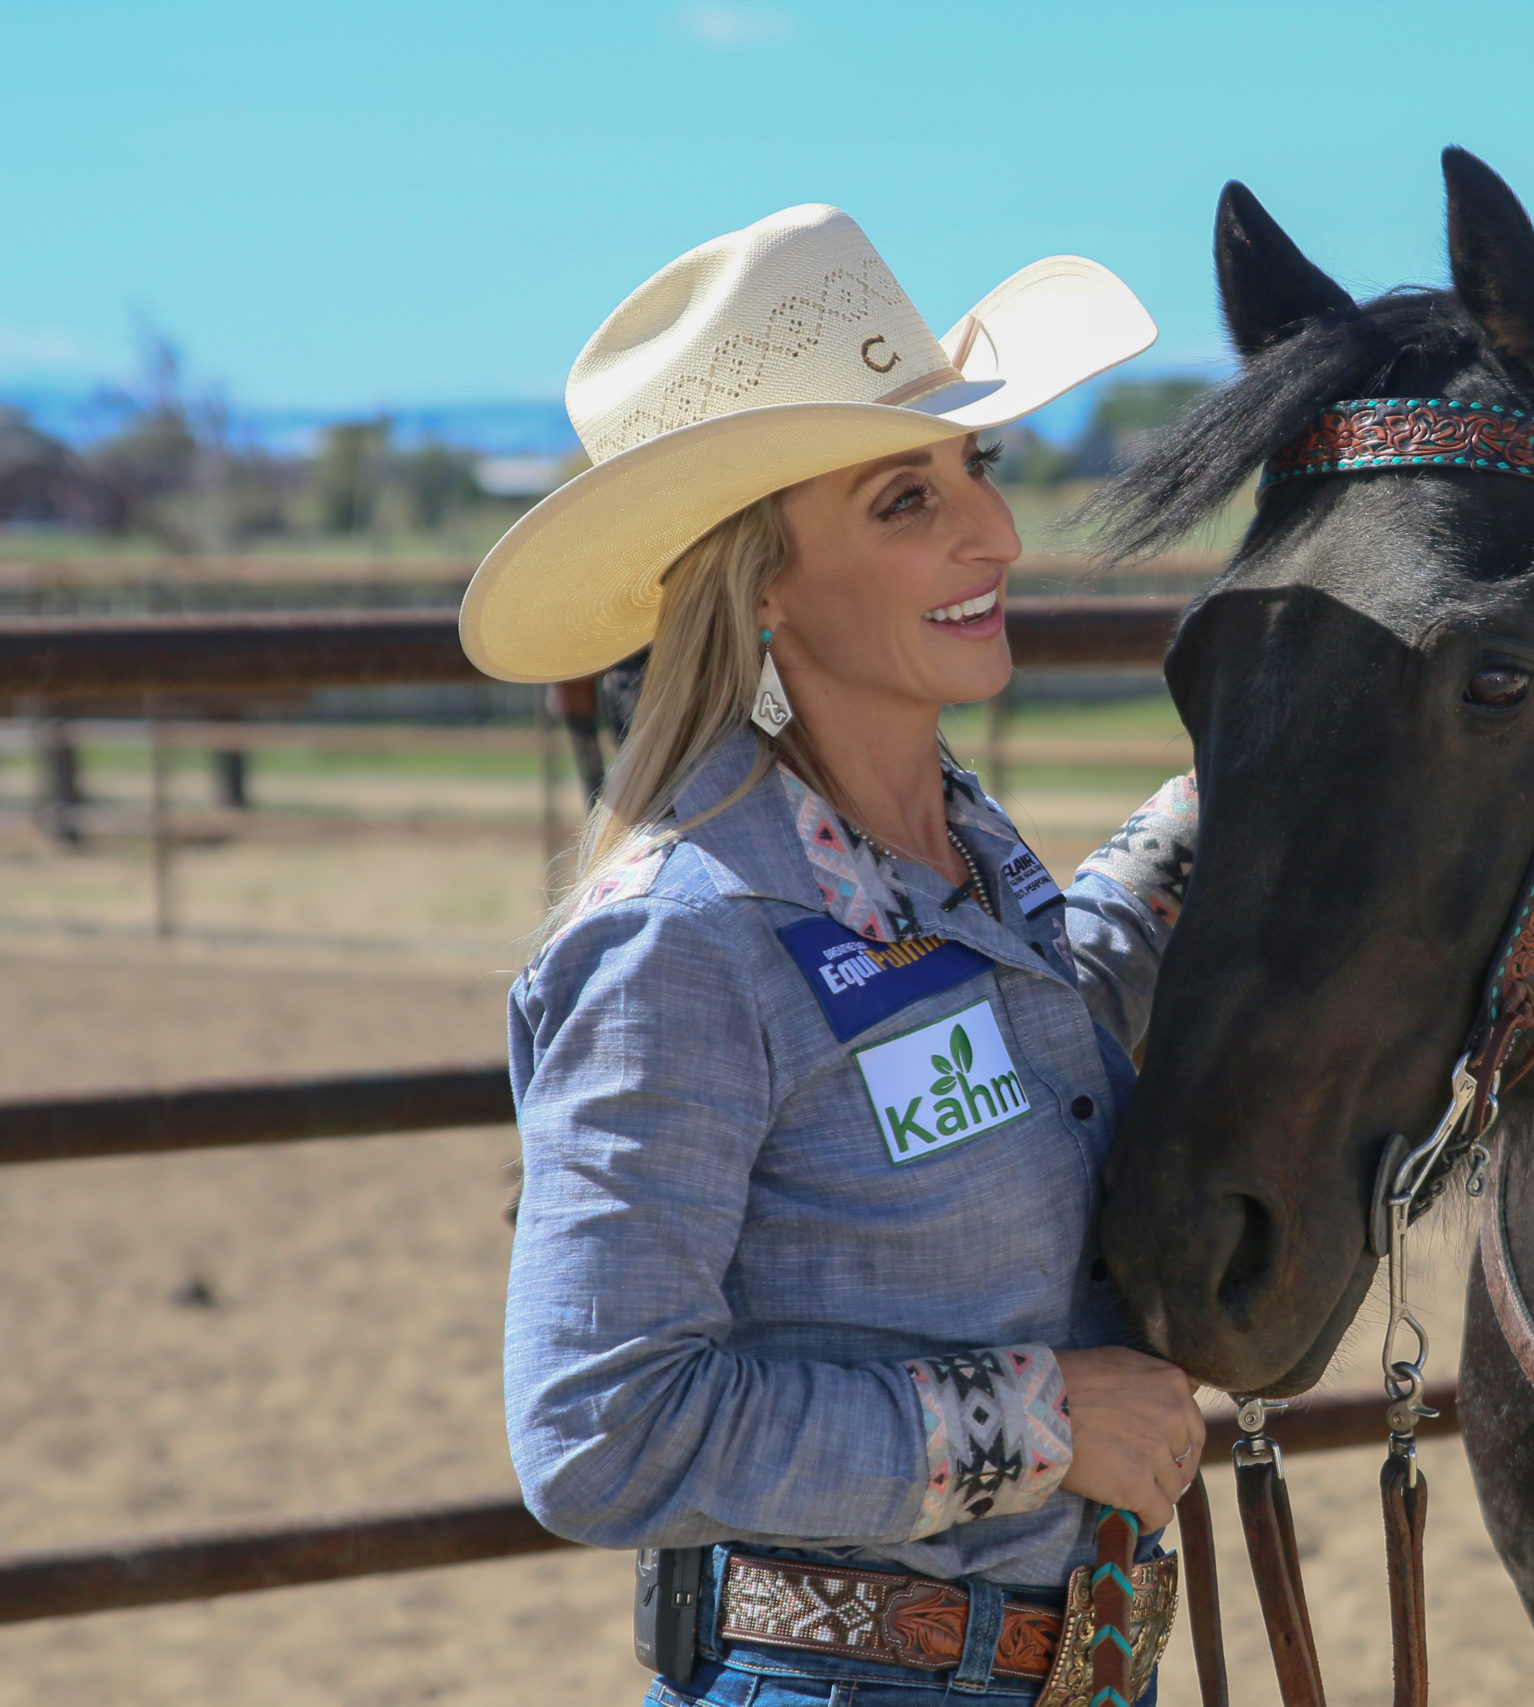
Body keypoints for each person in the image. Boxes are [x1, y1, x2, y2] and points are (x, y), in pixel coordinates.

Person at [464, 203, 1206, 1707]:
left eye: (972, 471)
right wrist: (1042, 1426)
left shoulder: (950, 849)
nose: (991, 532)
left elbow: (1047, 1026)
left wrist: (1245, 790)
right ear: (761, 586)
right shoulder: (685, 945)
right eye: (901, 501)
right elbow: (599, 1435)